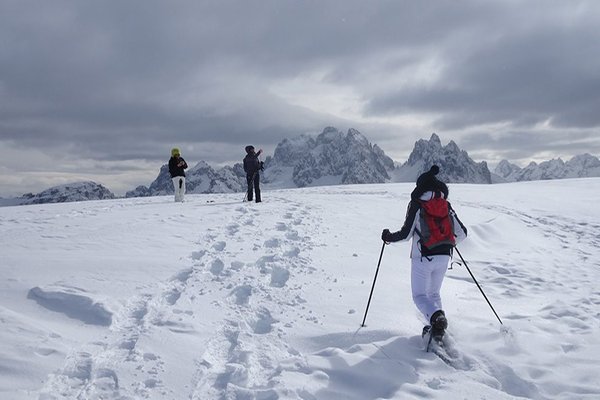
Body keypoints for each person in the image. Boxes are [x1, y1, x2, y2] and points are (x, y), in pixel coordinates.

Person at [381, 165, 467, 343]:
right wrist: (447, 242)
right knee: (434, 293)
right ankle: (438, 326)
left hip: (423, 256)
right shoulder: (446, 204)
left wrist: (388, 237)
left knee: (419, 296)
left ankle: (436, 320)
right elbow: (462, 233)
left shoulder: (417, 204)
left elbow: (406, 234)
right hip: (444, 256)